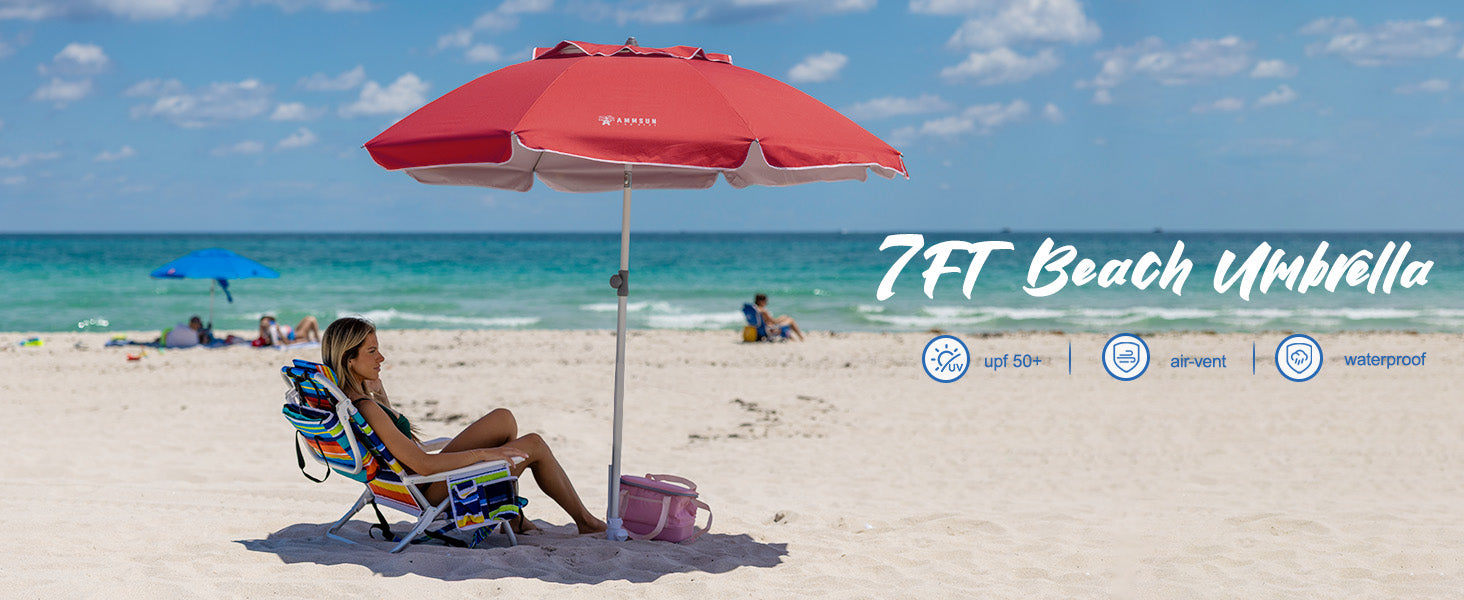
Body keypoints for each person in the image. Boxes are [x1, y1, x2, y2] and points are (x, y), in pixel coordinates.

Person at [321, 317, 607, 535]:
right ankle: (586, 522)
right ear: (349, 359)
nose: (381, 358)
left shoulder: (357, 401)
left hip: (418, 481)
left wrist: (379, 394)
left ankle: (515, 517)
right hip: (427, 488)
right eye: (372, 351)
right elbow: (422, 463)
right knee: (534, 445)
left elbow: (397, 443)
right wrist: (482, 455)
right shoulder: (366, 408)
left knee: (503, 418)